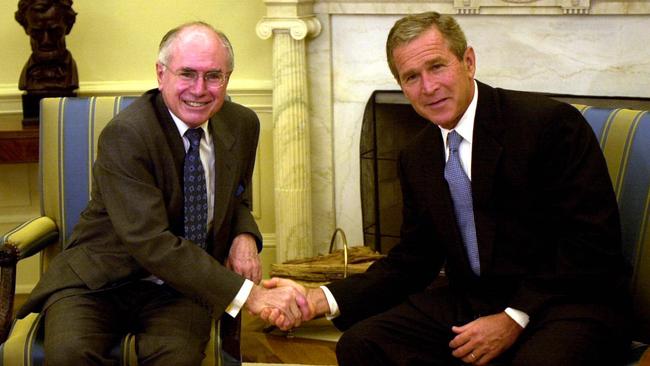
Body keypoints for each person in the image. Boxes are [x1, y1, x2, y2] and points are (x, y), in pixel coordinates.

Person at [262, 11, 629, 366]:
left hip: (565, 302)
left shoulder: (547, 125)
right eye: (411, 77)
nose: (429, 87)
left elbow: (590, 243)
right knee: (364, 345)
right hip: (476, 302)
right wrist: (319, 299)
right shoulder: (418, 155)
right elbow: (412, 262)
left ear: (468, 62)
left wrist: (514, 316)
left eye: (437, 66)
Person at [16, 22, 307, 365]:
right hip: (98, 280)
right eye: (187, 73)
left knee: (177, 359)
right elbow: (151, 240)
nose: (199, 89)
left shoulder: (242, 124)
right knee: (70, 355)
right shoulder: (128, 134)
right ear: (161, 73)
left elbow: (236, 195)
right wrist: (250, 296)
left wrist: (244, 234)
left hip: (182, 288)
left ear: (228, 77)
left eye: (213, 76)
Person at [15, 0, 78, 91]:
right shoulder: (27, 77)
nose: (46, 41)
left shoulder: (71, 74)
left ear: (68, 27)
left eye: (54, 31)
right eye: (37, 32)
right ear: (26, 28)